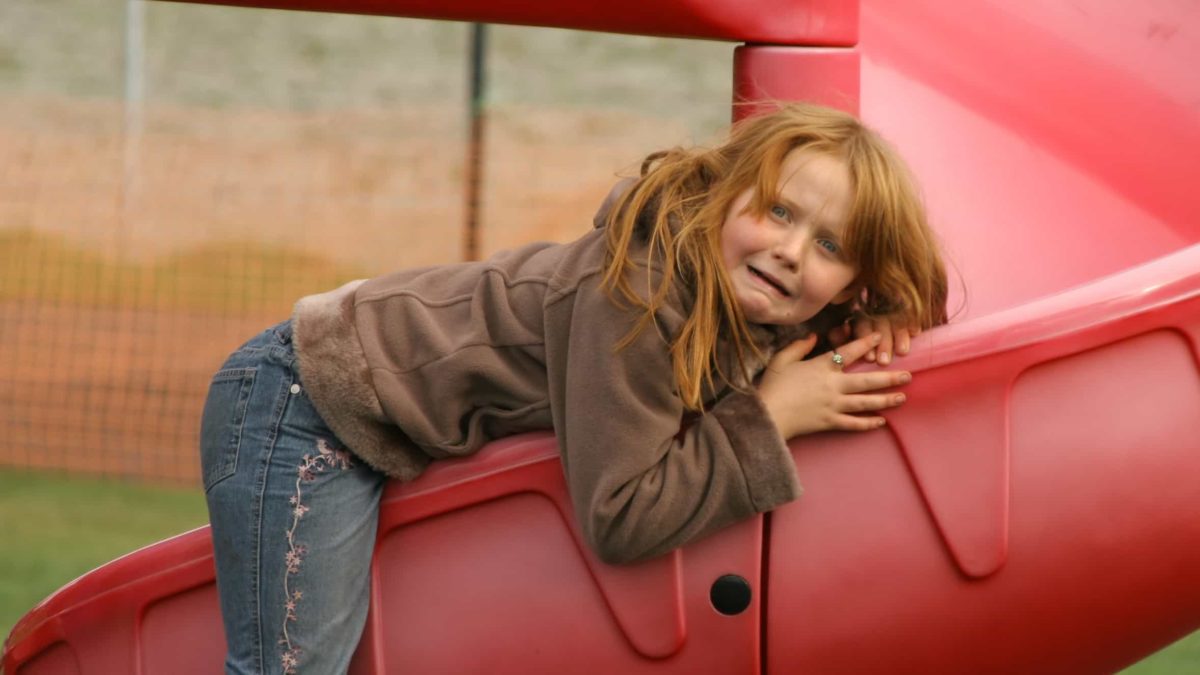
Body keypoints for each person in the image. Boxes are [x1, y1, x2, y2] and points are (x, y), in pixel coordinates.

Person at [199, 102, 948, 674]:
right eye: (779, 210)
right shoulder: (640, 296)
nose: (789, 250)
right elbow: (621, 513)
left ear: (856, 279)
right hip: (307, 403)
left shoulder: (741, 297)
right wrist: (770, 418)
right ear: (727, 193)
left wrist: (883, 320)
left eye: (829, 245)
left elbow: (879, 300)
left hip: (374, 405)